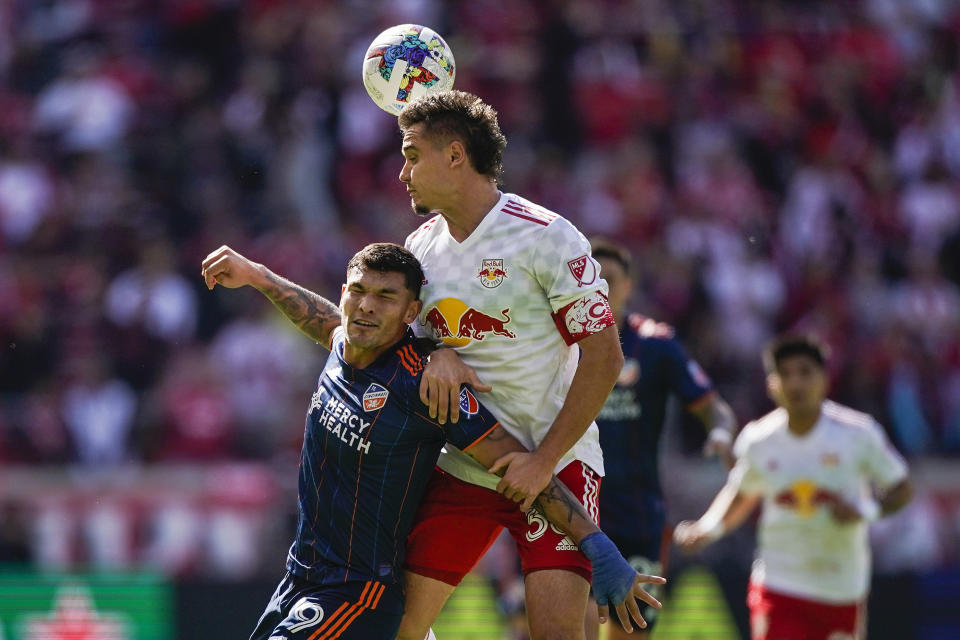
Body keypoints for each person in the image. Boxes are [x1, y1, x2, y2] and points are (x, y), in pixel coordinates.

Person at [200, 243, 664, 640]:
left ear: (411, 313)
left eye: (385, 297)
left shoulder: (424, 386)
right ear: (343, 295)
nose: (366, 306)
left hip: (357, 591)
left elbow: (518, 466)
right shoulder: (344, 344)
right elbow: (315, 316)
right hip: (298, 578)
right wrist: (257, 276)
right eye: (359, 291)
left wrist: (598, 546)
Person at [396, 90, 627, 639]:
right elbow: (406, 352)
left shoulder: (545, 235)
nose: (402, 172)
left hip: (559, 462)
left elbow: (605, 355)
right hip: (466, 465)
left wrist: (545, 459)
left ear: (455, 156)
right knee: (397, 629)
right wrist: (438, 351)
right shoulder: (419, 248)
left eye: (411, 155)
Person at [674, 334, 913, 640]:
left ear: (824, 380)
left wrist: (864, 510)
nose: (795, 384)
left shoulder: (858, 434)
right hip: (779, 583)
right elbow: (742, 494)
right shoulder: (759, 439)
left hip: (841, 587)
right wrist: (707, 528)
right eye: (785, 374)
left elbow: (901, 487)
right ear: (771, 385)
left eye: (804, 372)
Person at [586, 239, 739, 640]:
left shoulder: (655, 345)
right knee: (569, 626)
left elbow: (712, 406)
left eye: (609, 280)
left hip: (638, 513)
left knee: (631, 633)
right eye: (590, 280)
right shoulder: (558, 345)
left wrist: (721, 433)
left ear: (628, 286)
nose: (599, 289)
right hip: (573, 510)